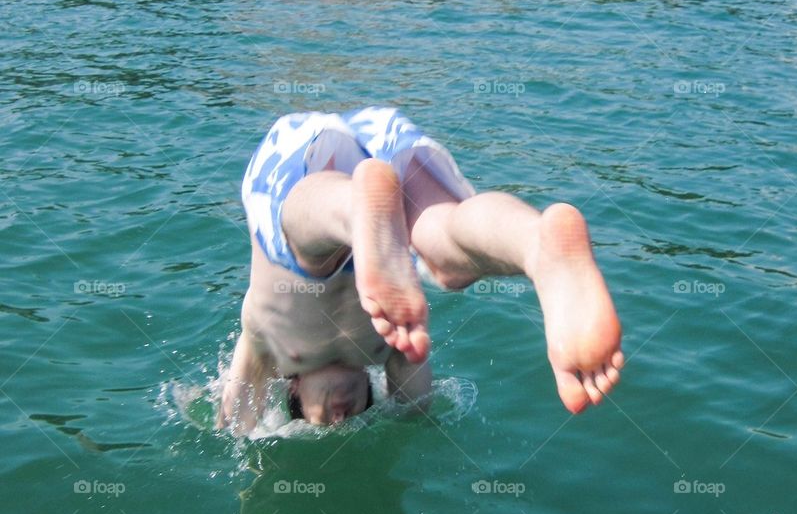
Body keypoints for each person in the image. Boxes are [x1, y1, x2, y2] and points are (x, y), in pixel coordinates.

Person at [218, 107, 623, 430]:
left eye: (319, 419)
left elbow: (236, 424)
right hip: (383, 198)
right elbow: (414, 411)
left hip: (305, 167)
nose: (341, 417)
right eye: (357, 413)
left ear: (294, 389)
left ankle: (356, 207)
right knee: (444, 250)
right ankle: (535, 245)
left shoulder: (270, 357)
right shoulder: (391, 342)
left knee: (304, 244)